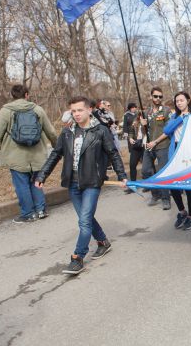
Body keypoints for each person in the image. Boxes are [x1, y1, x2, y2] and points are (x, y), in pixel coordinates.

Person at [35, 96, 127, 275]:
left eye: (79, 110)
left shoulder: (100, 130)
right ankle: (103, 242)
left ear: (89, 110)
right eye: (73, 111)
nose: (76, 114)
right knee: (87, 219)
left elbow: (113, 153)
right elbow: (55, 154)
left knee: (84, 220)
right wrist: (42, 175)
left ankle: (78, 257)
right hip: (73, 183)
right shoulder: (68, 131)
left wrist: (122, 175)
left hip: (92, 182)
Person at [0, 85, 57, 223]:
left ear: (12, 95)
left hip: (15, 156)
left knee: (22, 185)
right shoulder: (38, 109)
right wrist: (56, 147)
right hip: (37, 154)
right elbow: (51, 132)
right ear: (27, 95)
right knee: (37, 181)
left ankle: (28, 214)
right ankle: (40, 210)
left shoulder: (5, 111)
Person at [148, 92, 191, 230]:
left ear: (188, 100)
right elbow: (167, 129)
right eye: (177, 101)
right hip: (174, 151)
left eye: (182, 100)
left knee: (188, 187)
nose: (179, 103)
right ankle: (182, 212)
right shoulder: (175, 116)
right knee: (173, 184)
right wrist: (181, 118)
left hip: (188, 153)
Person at [141, 87, 171, 210]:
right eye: (155, 96)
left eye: (160, 96)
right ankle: (155, 194)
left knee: (162, 172)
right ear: (151, 97)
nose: (158, 99)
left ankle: (166, 199)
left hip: (162, 145)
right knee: (146, 171)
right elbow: (144, 131)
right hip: (149, 146)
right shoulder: (146, 112)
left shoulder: (166, 110)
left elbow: (168, 130)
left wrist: (156, 141)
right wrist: (143, 125)